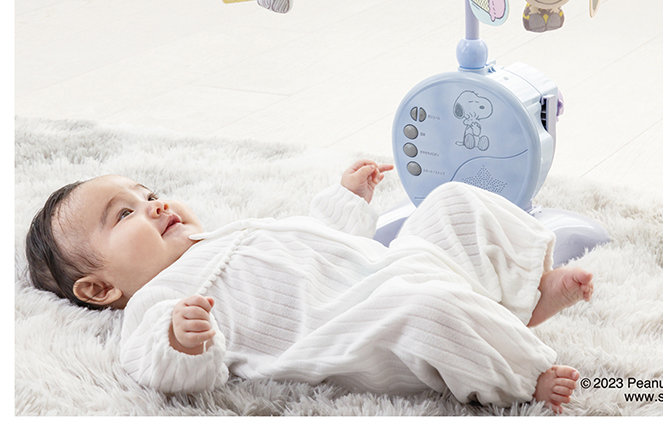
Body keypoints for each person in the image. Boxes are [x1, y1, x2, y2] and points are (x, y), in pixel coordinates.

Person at [25, 159, 593, 412]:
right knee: (431, 310)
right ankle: (525, 376)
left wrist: (347, 200)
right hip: (365, 326)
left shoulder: (225, 235)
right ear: (99, 290)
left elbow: (316, 237)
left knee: (452, 203)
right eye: (124, 214)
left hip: (389, 266)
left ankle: (521, 296)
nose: (154, 204)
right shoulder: (159, 303)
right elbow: (165, 373)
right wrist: (182, 341)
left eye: (148, 193)